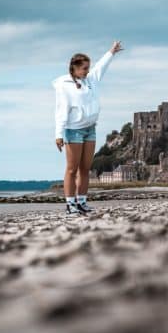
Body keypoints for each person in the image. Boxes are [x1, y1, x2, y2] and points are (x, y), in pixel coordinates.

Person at [51, 40, 124, 214]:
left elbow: (101, 67)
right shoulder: (64, 87)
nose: (87, 71)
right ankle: (70, 204)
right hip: (73, 131)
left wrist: (111, 52)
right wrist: (58, 135)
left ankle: (82, 201)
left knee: (85, 168)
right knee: (72, 168)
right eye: (84, 68)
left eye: (88, 67)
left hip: (90, 129)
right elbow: (61, 111)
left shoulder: (90, 80)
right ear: (74, 68)